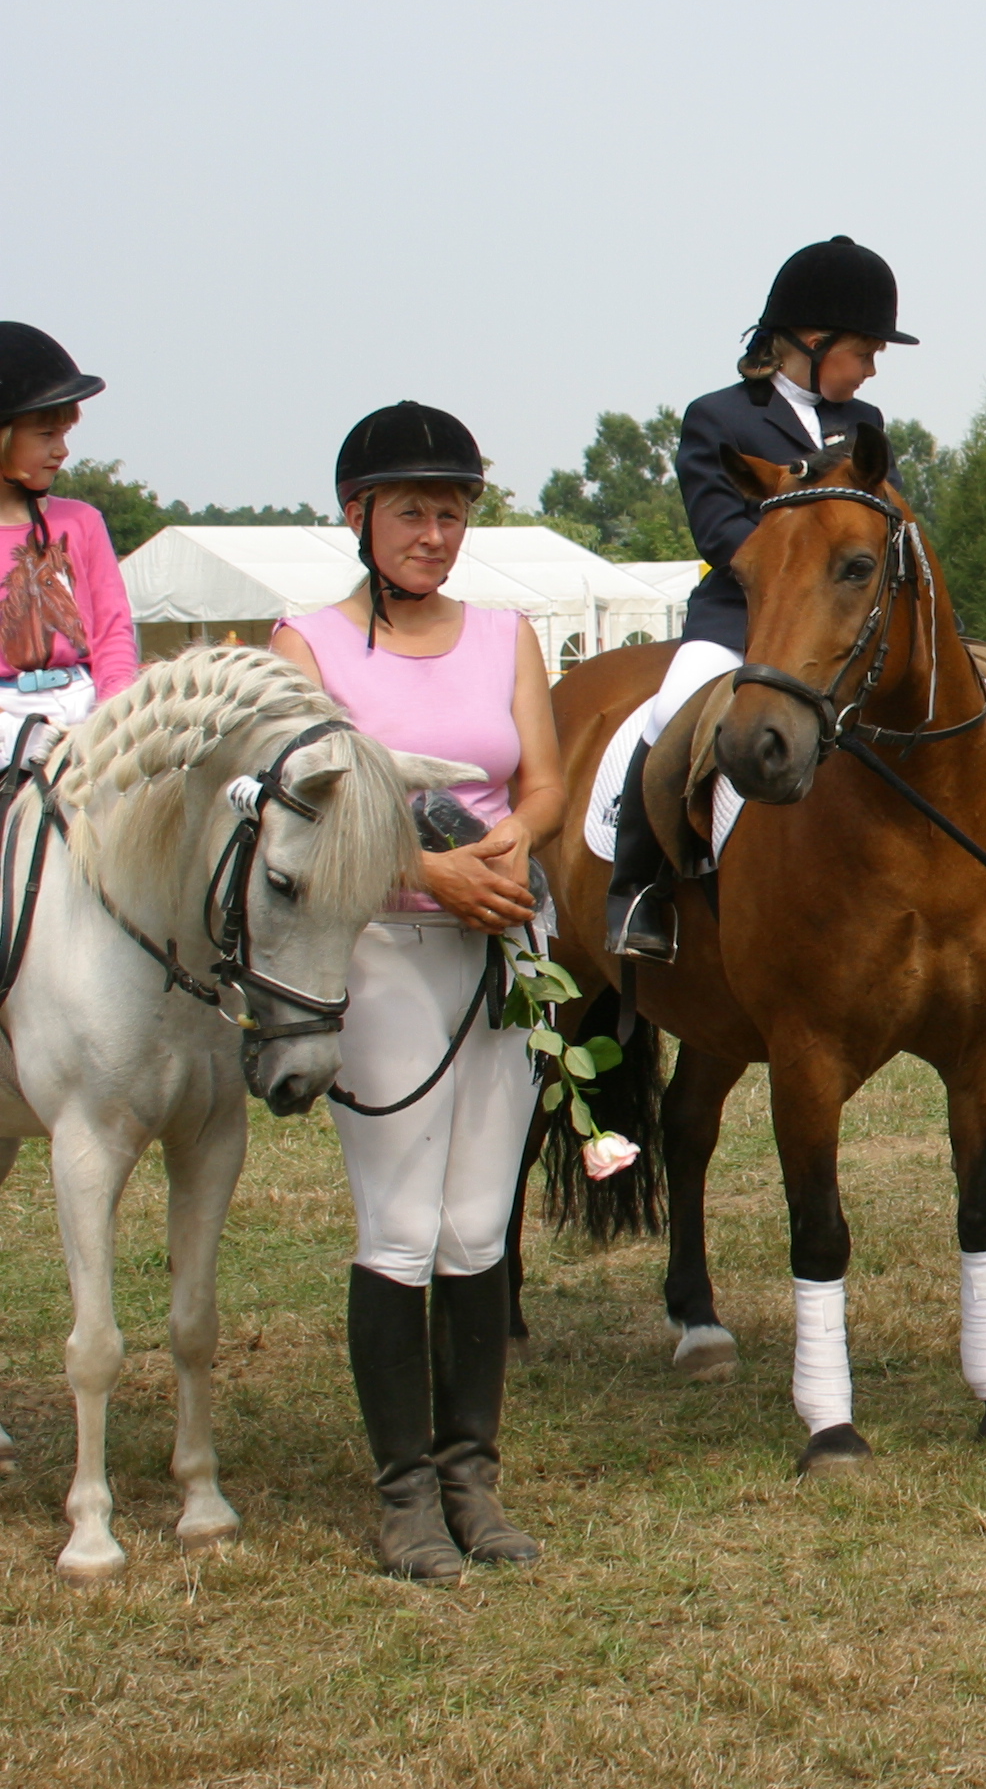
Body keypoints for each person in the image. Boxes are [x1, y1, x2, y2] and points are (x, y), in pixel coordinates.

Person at [271, 403, 566, 1580]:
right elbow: (308, 818)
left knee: (478, 1223)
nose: (436, 534)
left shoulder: (505, 635)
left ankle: (470, 1478)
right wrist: (422, 867)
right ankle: (403, 1495)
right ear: (359, 515)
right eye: (412, 512)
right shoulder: (307, 646)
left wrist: (511, 849)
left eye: (452, 512)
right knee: (398, 1225)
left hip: (498, 948)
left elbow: (539, 780)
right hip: (385, 949)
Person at [605, 236, 912, 960]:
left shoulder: (864, 425)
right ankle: (637, 888)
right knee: (669, 711)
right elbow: (720, 532)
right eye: (863, 351)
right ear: (813, 340)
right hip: (740, 619)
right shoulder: (718, 417)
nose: (871, 369)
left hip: (840, 624)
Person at [0, 323, 136, 744]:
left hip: (85, 701)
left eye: (64, 433)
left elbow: (113, 630)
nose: (62, 450)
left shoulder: (83, 521)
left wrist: (113, 712)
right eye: (46, 435)